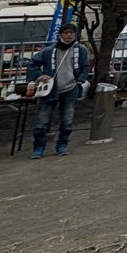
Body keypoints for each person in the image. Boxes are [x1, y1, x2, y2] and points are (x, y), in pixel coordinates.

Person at [26, 22, 91, 159]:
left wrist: (79, 80)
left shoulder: (81, 50)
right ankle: (38, 147)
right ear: (60, 34)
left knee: (67, 119)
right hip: (50, 89)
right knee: (42, 120)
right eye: (66, 33)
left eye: (71, 33)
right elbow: (33, 63)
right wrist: (39, 76)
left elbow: (86, 67)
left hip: (70, 88)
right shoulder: (49, 50)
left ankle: (62, 145)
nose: (68, 35)